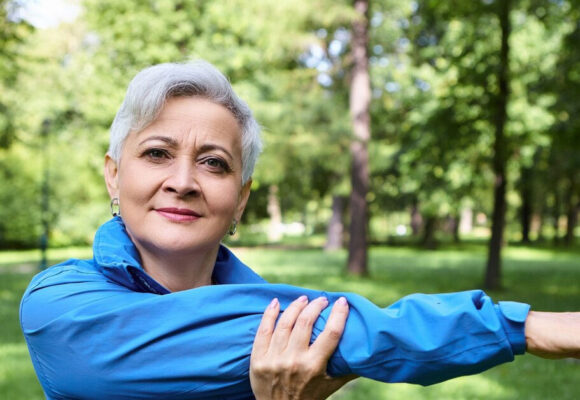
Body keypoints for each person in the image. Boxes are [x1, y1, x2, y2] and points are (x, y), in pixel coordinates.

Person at [20, 61, 580, 400]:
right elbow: (342, 331)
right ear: (114, 176)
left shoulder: (278, 318)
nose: (184, 181)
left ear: (240, 199)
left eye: (214, 162)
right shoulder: (59, 303)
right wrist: (528, 327)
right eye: (157, 153)